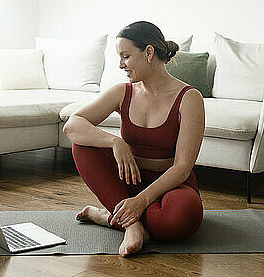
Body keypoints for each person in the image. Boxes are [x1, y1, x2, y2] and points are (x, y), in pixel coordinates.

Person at [62, 21, 205, 257]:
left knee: (182, 217)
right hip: (128, 181)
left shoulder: (189, 98)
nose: (121, 65)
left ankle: (107, 216)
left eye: (126, 56)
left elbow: (182, 166)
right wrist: (115, 142)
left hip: (171, 185)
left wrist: (140, 201)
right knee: (82, 147)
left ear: (149, 52)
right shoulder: (122, 92)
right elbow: (73, 125)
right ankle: (131, 226)